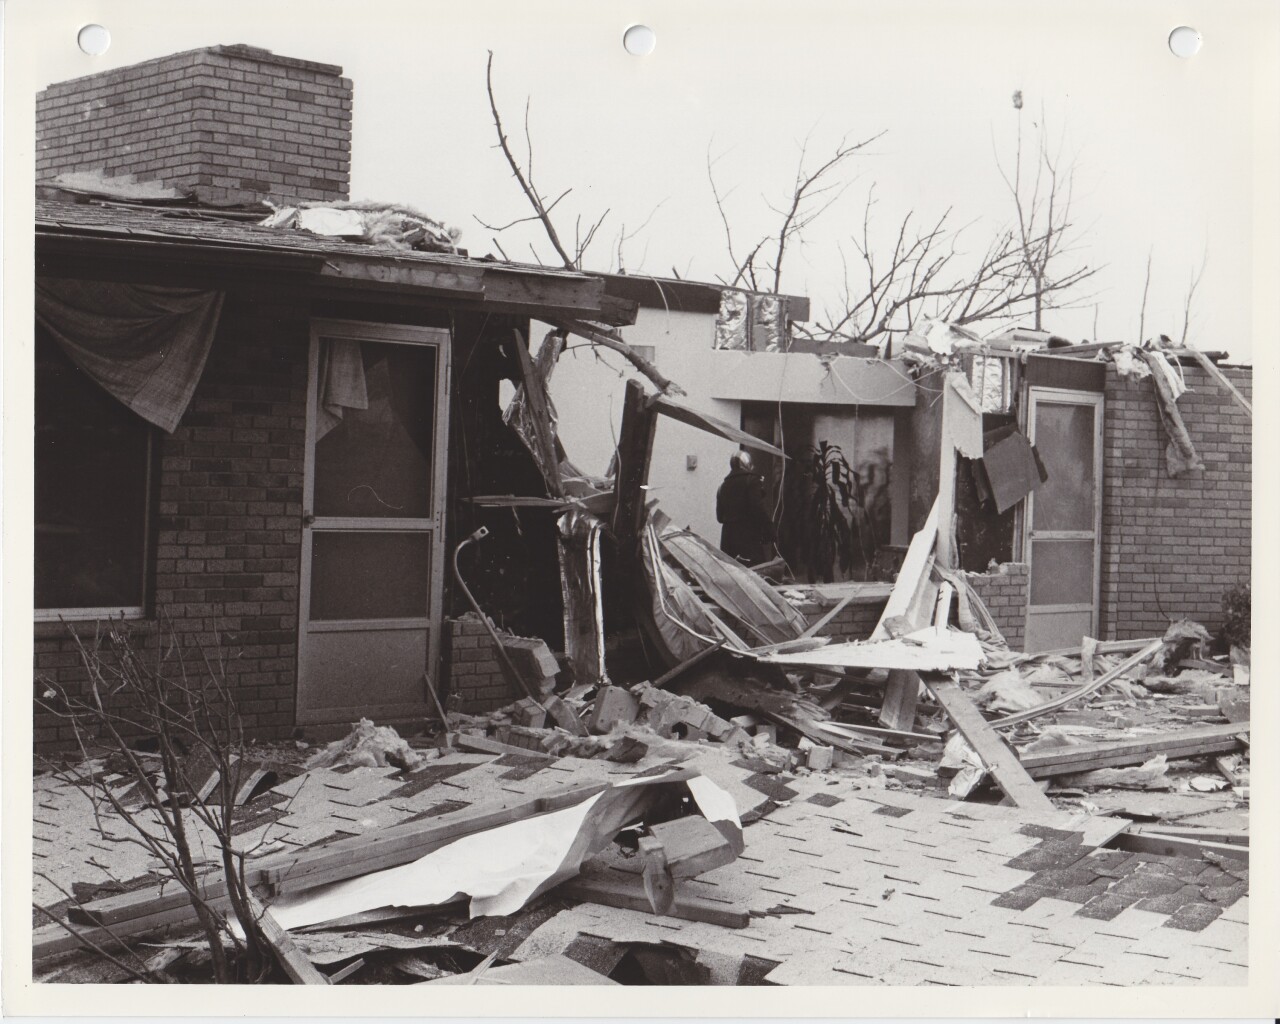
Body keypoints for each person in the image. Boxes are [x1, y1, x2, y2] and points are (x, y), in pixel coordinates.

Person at [716, 450, 774, 566]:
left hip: (728, 539)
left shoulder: (722, 487)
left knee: (732, 572)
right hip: (748, 537)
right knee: (755, 571)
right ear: (747, 464)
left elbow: (720, 517)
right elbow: (758, 508)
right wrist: (769, 528)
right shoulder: (751, 481)